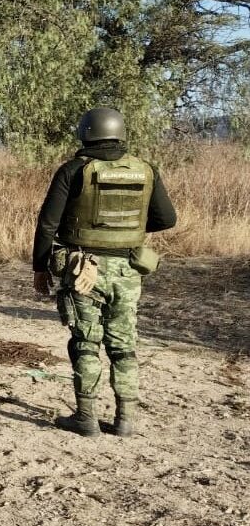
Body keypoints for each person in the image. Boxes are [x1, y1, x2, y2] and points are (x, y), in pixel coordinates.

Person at [32, 107, 177, 438]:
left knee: (85, 342)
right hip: (128, 270)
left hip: (82, 269)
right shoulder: (145, 170)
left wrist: (40, 267)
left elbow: (48, 224)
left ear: (85, 132)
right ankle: (125, 419)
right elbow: (167, 219)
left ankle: (86, 418)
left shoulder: (74, 170)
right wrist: (131, 229)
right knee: (124, 343)